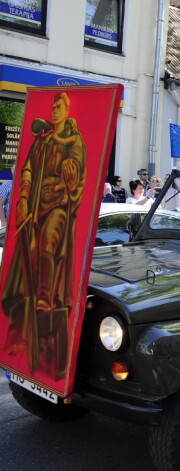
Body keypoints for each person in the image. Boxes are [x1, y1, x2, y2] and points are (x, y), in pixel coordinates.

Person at [2, 92, 86, 379]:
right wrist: (23, 196)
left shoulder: (73, 139)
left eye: (60, 105)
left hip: (58, 206)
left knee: (49, 245)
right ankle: (29, 301)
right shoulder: (41, 139)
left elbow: (78, 176)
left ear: (67, 109)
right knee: (32, 252)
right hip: (35, 205)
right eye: (53, 105)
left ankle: (44, 300)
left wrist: (66, 165)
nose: (55, 108)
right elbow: (26, 169)